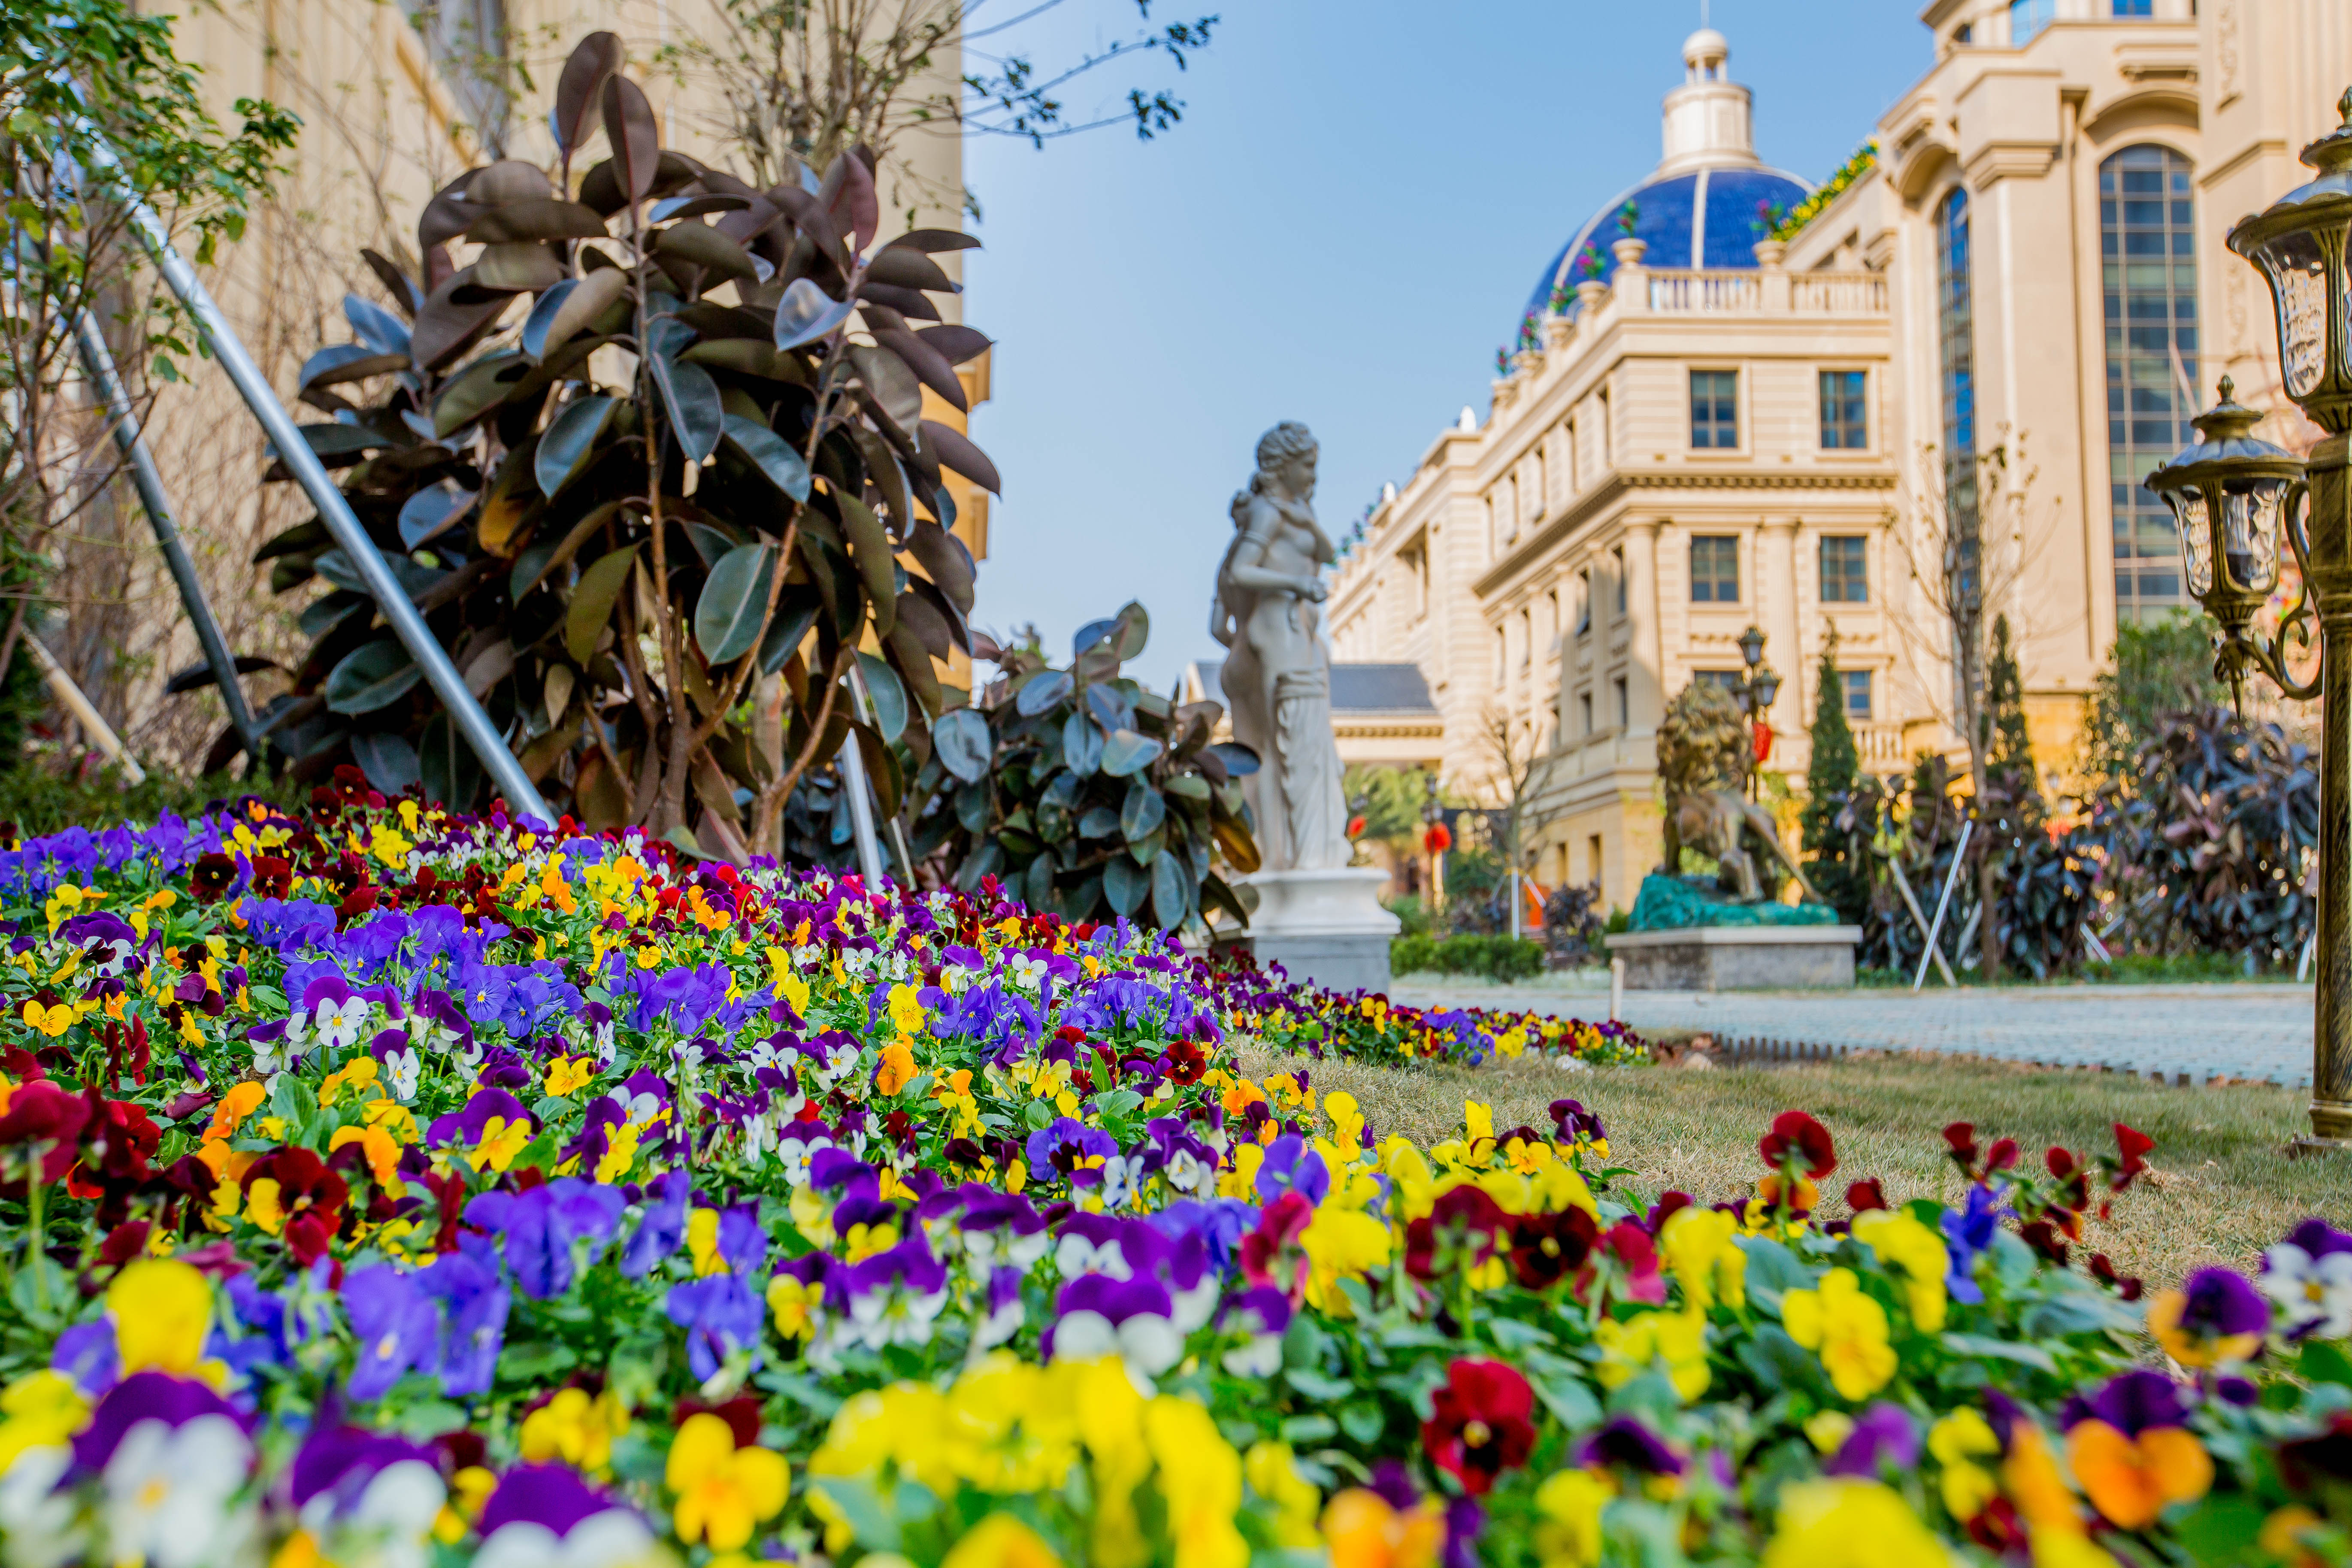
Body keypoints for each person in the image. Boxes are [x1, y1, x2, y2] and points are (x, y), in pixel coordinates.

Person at [1209, 421, 1349, 872]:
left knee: (1261, 759)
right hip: (1284, 640)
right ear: (1283, 467)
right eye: (1307, 466)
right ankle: (1309, 858)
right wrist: (1297, 586)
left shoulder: (1284, 515)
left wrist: (1242, 642)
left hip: (1257, 645)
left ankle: (1268, 858)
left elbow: (1218, 621)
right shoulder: (1269, 515)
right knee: (1300, 751)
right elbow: (1242, 573)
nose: (1314, 476)